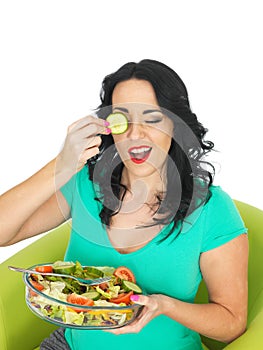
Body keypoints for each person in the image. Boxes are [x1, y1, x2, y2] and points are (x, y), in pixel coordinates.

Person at [0, 59, 248, 350]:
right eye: (122, 119)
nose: (134, 134)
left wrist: (165, 305)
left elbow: (232, 324)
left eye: (152, 118)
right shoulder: (85, 184)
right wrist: (61, 164)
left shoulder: (212, 209)